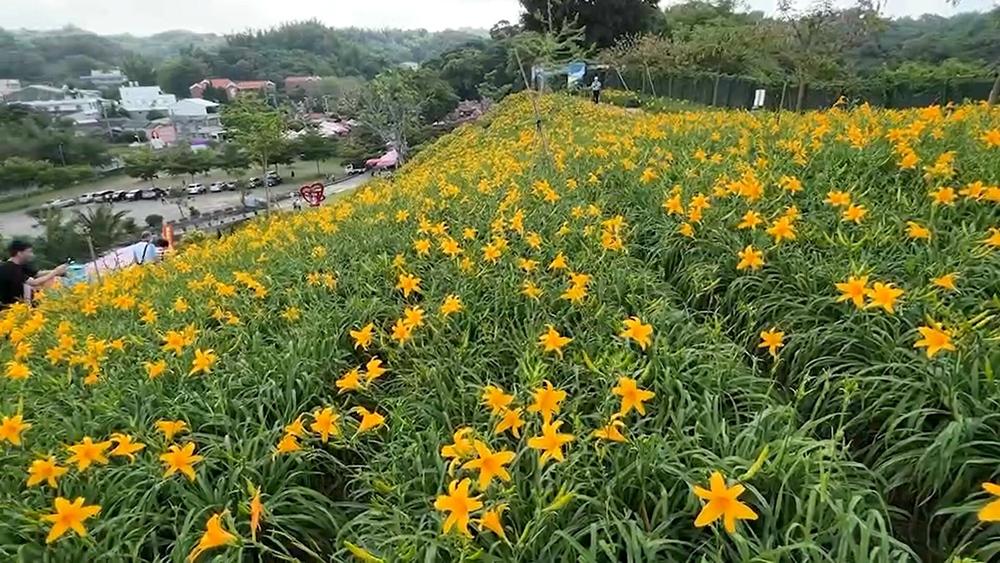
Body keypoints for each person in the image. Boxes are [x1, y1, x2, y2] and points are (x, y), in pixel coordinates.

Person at [0, 240, 68, 307]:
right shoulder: (9, 268)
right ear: (19, 253)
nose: (31, 255)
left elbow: (37, 273)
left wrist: (58, 271)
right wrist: (55, 272)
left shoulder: (20, 266)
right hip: (10, 308)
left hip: (21, 305)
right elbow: (34, 282)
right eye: (29, 252)